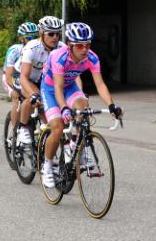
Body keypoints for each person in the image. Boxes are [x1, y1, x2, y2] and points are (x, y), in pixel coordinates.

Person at [40, 22, 123, 188]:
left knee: (83, 107)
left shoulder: (92, 57)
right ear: (70, 44)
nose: (84, 49)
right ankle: (47, 166)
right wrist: (63, 107)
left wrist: (112, 106)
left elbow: (100, 84)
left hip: (70, 87)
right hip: (50, 89)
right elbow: (57, 87)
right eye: (79, 45)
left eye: (87, 44)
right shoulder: (58, 56)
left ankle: (74, 145)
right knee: (57, 128)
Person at [15, 16, 66, 144]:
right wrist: (32, 95)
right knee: (35, 98)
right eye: (51, 34)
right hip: (27, 79)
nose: (55, 37)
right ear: (41, 34)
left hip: (46, 81)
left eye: (57, 34)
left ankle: (45, 134)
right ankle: (23, 127)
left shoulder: (62, 48)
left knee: (55, 113)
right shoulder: (32, 47)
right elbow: (24, 77)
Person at [3, 22, 39, 129]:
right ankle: (15, 131)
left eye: (35, 37)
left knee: (35, 98)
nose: (32, 40)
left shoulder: (39, 49)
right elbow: (9, 75)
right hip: (11, 77)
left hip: (28, 79)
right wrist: (16, 89)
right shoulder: (14, 50)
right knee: (16, 96)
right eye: (29, 38)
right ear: (21, 39)